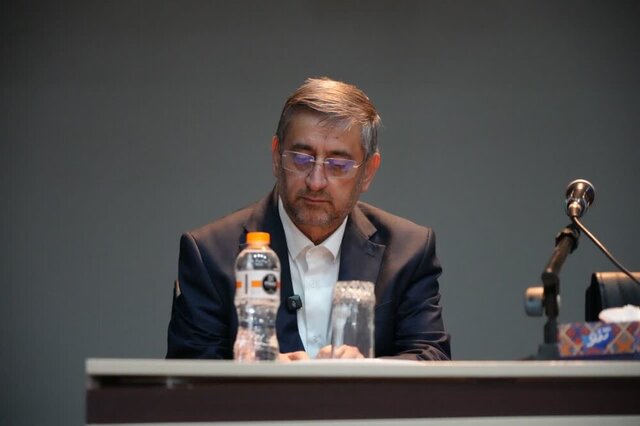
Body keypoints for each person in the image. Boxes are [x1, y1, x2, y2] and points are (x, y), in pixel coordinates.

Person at [167, 77, 450, 361]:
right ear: (276, 157)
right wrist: (257, 375)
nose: (316, 182)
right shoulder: (210, 253)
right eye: (301, 159)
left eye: (338, 165)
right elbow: (189, 374)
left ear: (368, 172)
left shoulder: (408, 250)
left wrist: (367, 370)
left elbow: (431, 357)